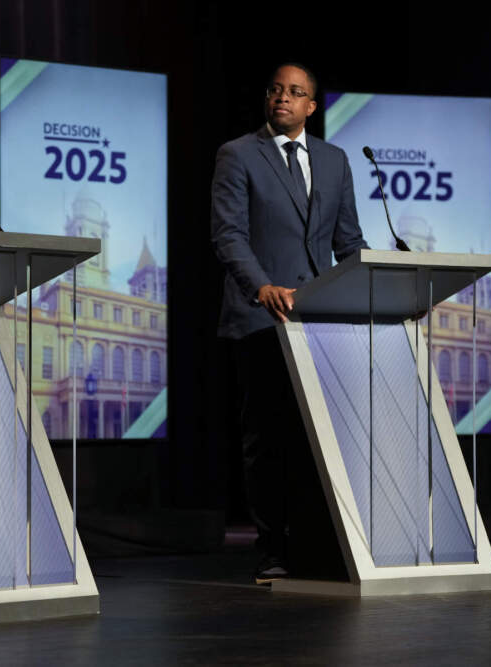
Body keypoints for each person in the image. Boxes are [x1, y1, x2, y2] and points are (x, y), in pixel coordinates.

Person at [211, 63, 368, 583]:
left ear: (311, 107)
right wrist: (261, 286)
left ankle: (318, 542)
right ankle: (273, 546)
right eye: (276, 89)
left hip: (322, 322)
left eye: (295, 92)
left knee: (317, 438)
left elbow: (348, 242)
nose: (283, 98)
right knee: (269, 437)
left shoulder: (334, 159)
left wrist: (380, 285)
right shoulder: (238, 154)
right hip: (262, 317)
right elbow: (229, 235)